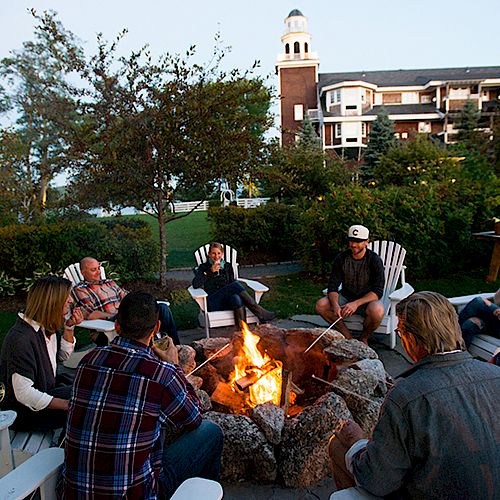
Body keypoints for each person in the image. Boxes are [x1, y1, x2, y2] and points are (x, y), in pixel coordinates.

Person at [328, 291, 500, 500]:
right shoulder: (495, 374)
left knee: (339, 444)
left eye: (401, 333)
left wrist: (356, 442)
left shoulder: (405, 395)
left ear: (412, 340)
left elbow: (377, 481)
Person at [60, 291, 224, 498]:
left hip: (76, 492)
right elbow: (193, 418)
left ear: (117, 326)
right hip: (134, 493)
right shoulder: (161, 373)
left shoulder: (89, 360)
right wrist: (175, 366)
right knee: (210, 432)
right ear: (156, 328)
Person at [0, 276, 83, 431]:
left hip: (45, 393)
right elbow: (24, 393)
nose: (71, 300)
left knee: (88, 394)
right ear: (53, 300)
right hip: (23, 414)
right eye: (67, 297)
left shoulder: (43, 327)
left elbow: (62, 357)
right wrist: (67, 405)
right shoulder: (21, 338)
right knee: (86, 408)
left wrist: (69, 328)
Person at [73, 256, 180, 344]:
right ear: (83, 273)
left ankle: (175, 347)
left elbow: (128, 297)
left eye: (98, 268)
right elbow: (89, 313)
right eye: (93, 270)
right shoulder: (81, 289)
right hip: (109, 324)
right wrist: (113, 316)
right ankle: (153, 346)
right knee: (145, 320)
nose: (98, 272)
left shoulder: (109, 282)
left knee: (162, 308)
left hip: (128, 315)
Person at [315, 225, 385, 344]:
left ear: (366, 242)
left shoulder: (374, 260)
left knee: (377, 311)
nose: (353, 245)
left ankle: (364, 338)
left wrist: (356, 303)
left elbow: (378, 291)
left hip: (366, 300)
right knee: (321, 305)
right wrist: (335, 304)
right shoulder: (341, 258)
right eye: (351, 240)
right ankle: (347, 336)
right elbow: (333, 285)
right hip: (347, 296)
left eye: (358, 241)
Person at [192, 242, 275, 326]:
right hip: (213, 302)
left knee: (236, 298)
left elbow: (231, 285)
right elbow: (195, 284)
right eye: (213, 253)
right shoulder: (203, 267)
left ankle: (242, 333)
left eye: (219, 253)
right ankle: (259, 312)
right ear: (209, 254)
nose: (216, 256)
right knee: (235, 284)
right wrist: (210, 271)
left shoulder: (227, 266)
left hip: (227, 301)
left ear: (222, 254)